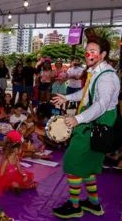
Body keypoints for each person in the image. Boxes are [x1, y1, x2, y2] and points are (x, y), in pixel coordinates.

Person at [52, 28, 120, 219]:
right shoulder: (95, 71)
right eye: (87, 50)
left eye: (93, 51)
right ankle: (93, 203)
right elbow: (87, 95)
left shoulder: (106, 77)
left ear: (103, 54)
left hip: (95, 123)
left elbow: (101, 104)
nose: (89, 54)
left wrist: (77, 119)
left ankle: (74, 206)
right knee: (88, 165)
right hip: (94, 122)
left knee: (72, 162)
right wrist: (67, 98)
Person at [0, 131, 37, 196]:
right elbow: (1, 175)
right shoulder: (6, 160)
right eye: (20, 149)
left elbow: (20, 169)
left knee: (31, 176)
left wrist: (24, 175)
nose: (21, 150)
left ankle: (17, 187)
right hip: (6, 176)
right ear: (16, 150)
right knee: (14, 184)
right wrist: (9, 179)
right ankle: (27, 187)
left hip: (14, 173)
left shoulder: (16, 157)